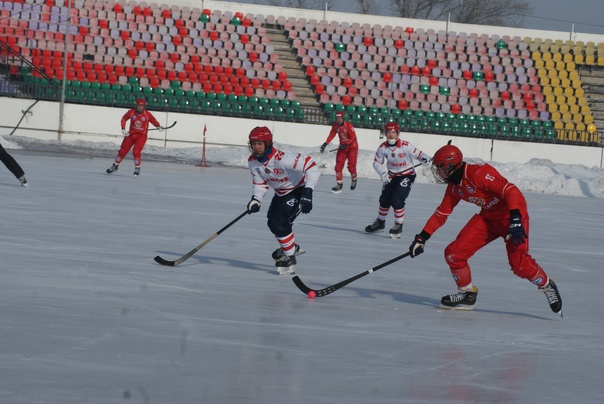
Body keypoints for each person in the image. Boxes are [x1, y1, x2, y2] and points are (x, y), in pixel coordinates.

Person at [408, 144, 563, 316]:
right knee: (454, 254)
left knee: (519, 264)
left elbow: (510, 191)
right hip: (488, 218)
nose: (437, 172)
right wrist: (422, 238)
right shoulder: (454, 187)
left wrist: (516, 219)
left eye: (440, 167)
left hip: (511, 217)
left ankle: (547, 285)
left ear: (451, 165)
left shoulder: (478, 174)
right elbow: (441, 213)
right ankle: (467, 294)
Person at [247, 126, 321, 275]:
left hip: (297, 191)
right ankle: (291, 248)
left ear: (268, 143)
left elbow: (312, 167)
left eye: (260, 143)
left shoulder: (283, 159)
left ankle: (289, 256)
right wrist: (256, 199)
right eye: (254, 143)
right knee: (272, 223)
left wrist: (308, 192)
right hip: (280, 194)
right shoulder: (253, 162)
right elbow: (260, 183)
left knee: (279, 222)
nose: (256, 147)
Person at [365, 122, 431, 238]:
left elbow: (419, 154)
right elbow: (376, 163)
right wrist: (382, 173)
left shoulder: (405, 145)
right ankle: (380, 222)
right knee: (384, 199)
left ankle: (398, 225)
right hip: (391, 176)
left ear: (398, 133)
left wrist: (425, 158)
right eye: (389, 132)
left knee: (397, 199)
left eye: (393, 132)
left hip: (407, 175)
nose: (391, 135)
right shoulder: (382, 147)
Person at [105, 98, 163, 177]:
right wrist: (123, 129)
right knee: (122, 151)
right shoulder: (131, 112)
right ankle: (115, 165)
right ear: (136, 105)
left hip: (141, 136)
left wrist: (158, 126)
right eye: (139, 105)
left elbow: (154, 121)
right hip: (131, 134)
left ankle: (137, 168)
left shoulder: (147, 114)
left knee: (136, 151)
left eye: (142, 106)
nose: (140, 107)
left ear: (144, 107)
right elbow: (124, 119)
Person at [320, 111, 358, 193]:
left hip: (352, 147)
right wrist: (325, 144)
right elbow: (331, 135)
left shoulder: (349, 126)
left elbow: (353, 137)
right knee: (338, 166)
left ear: (343, 118)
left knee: (351, 166)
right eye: (337, 118)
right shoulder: (335, 126)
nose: (339, 120)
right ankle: (339, 184)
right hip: (342, 147)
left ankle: (354, 179)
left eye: (340, 118)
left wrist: (346, 144)